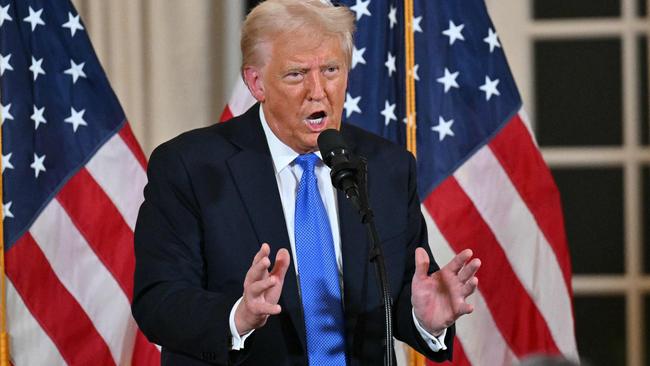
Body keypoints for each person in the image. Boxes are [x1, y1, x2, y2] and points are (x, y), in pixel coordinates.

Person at [132, 0, 481, 365]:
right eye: (297, 74)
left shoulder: (385, 167)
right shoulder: (192, 167)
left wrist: (423, 319)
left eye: (331, 69)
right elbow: (158, 299)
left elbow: (404, 289)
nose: (318, 91)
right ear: (256, 82)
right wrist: (239, 315)